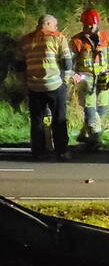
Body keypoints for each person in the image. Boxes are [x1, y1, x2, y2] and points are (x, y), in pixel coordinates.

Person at [15, 15, 74, 160]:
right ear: (47, 23)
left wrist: (25, 82)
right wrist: (65, 81)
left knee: (37, 120)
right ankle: (62, 151)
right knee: (59, 118)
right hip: (54, 85)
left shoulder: (25, 40)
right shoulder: (58, 37)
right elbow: (67, 62)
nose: (56, 28)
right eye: (55, 25)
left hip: (34, 86)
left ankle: (38, 151)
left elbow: (19, 65)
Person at [69, 8, 109, 150]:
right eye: (86, 25)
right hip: (87, 79)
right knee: (90, 110)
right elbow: (69, 60)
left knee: (103, 109)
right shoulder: (76, 41)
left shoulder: (105, 37)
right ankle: (95, 138)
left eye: (92, 25)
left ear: (97, 24)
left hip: (104, 79)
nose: (89, 28)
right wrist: (73, 74)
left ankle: (84, 134)